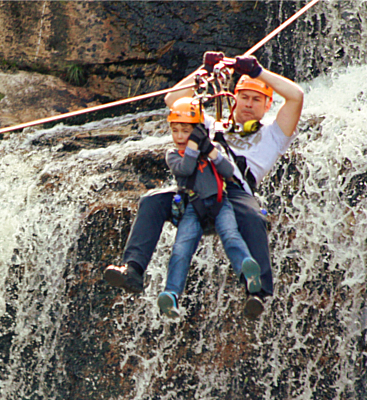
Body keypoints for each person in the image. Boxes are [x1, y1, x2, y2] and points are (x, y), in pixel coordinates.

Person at [104, 52, 304, 320]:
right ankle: (133, 270)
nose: (248, 104)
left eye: (256, 99)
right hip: (195, 191)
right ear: (234, 97)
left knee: (253, 216)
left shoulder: (273, 134)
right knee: (151, 201)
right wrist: (204, 71)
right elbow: (173, 99)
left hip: (234, 193)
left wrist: (257, 72)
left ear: (268, 105)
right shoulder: (211, 124)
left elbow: (296, 97)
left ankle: (258, 291)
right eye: (244, 96)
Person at [156, 97, 262, 318]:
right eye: (175, 131)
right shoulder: (174, 155)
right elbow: (185, 169)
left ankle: (247, 270)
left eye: (185, 132)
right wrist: (194, 146)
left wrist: (210, 150)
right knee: (180, 249)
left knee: (231, 236)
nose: (179, 137)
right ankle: (171, 294)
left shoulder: (211, 150)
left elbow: (227, 171)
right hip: (193, 209)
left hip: (220, 204)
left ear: (197, 130)